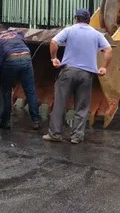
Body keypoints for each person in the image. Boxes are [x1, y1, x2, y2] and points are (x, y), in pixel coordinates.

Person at [43, 8, 112, 144]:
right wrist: (104, 67)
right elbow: (108, 50)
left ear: (76, 18)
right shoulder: (96, 34)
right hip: (86, 74)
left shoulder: (69, 30)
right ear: (89, 20)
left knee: (60, 104)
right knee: (82, 106)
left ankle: (55, 134)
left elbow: (53, 42)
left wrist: (54, 58)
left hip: (68, 72)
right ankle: (77, 136)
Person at [0, 23, 41, 130]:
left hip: (10, 59)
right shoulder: (17, 33)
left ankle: (6, 122)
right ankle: (36, 120)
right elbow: (24, 42)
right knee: (30, 91)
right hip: (26, 57)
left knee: (6, 92)